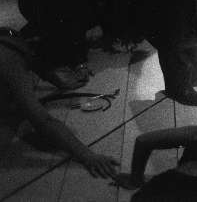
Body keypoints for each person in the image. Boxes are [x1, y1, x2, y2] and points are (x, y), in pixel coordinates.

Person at [0, 27, 119, 179]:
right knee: (15, 118)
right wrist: (87, 155)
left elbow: (36, 62)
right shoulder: (10, 60)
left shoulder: (12, 37)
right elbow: (43, 121)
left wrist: (56, 78)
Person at [17, 0, 116, 90]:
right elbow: (71, 25)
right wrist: (77, 63)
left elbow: (80, 23)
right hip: (33, 1)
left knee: (73, 25)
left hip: (54, 4)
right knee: (57, 34)